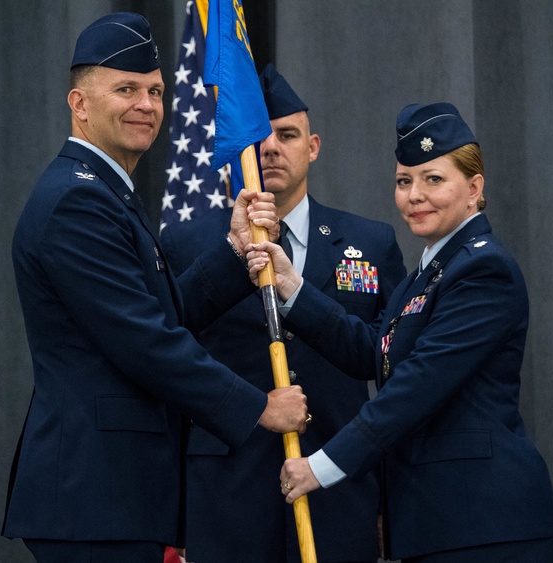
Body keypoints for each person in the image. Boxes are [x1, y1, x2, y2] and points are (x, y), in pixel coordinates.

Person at [1, 13, 308, 563]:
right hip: (93, 497)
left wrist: (237, 252)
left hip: (113, 495)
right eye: (126, 89)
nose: (146, 104)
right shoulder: (79, 202)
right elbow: (146, 342)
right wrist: (259, 407)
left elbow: (161, 316)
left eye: (156, 91)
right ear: (80, 104)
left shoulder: (104, 192)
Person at [248, 102, 553, 562]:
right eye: (404, 181)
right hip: (438, 523)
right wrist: (292, 286)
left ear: (474, 188)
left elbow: (416, 387)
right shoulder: (430, 269)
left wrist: (322, 466)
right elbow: (374, 352)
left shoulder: (483, 268)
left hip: (485, 524)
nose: (415, 195)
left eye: (433, 179)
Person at [160, 64, 406, 563]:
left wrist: (390, 499)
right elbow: (164, 353)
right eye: (258, 138)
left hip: (340, 491)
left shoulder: (369, 242)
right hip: (224, 496)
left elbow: (397, 372)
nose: (271, 147)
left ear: (311, 147)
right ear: (236, 150)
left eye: (287, 135)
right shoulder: (188, 244)